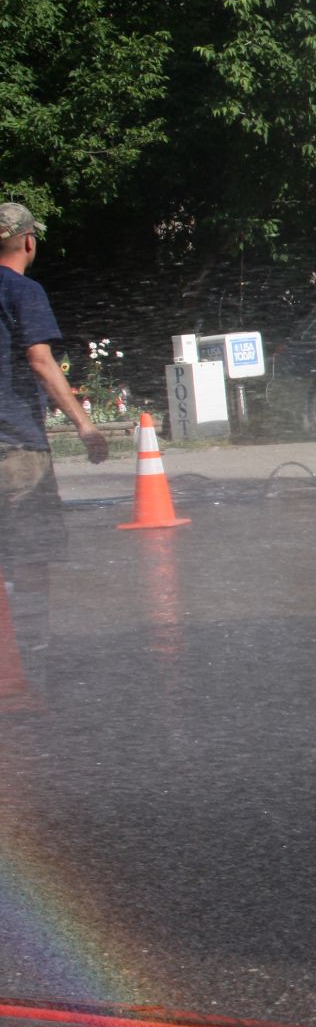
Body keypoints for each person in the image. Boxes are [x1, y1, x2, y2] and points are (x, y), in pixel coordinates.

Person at [0, 201, 109, 699]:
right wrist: (85, 424)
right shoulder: (23, 290)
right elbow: (40, 361)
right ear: (28, 241)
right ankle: (31, 663)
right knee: (29, 555)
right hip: (15, 445)